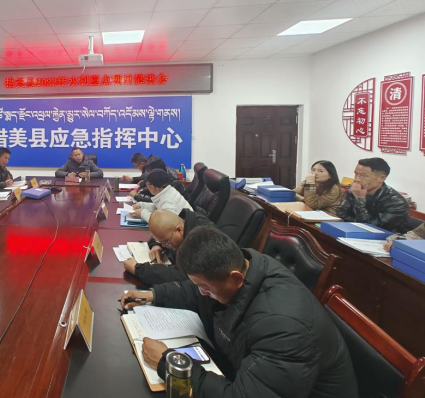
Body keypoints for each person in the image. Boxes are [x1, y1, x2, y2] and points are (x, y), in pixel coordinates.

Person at [120, 227, 358, 398]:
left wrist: (170, 363)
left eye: (205, 287)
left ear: (235, 278)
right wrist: (154, 295)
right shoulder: (245, 265)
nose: (201, 292)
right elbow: (199, 292)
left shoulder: (284, 329)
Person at [123, 208, 215, 284]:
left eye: (166, 242)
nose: (165, 245)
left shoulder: (201, 239)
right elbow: (161, 232)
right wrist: (157, 245)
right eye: (161, 242)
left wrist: (139, 270)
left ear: (179, 230)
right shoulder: (182, 222)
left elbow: (183, 275)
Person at [336, 157, 410, 234]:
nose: (357, 179)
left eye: (363, 175)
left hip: (385, 238)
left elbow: (371, 228)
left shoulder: (397, 203)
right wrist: (357, 222)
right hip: (352, 231)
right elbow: (341, 213)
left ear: (382, 178)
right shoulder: (355, 189)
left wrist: (360, 199)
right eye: (356, 174)